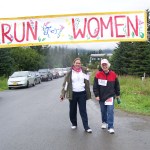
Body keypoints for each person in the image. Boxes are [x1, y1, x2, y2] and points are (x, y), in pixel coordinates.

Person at [60, 58, 92, 133]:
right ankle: (74, 123)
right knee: (72, 110)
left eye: (79, 63)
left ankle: (86, 127)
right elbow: (65, 85)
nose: (78, 64)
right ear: (73, 63)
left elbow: (88, 76)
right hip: (73, 94)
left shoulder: (84, 71)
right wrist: (62, 94)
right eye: (76, 63)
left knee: (83, 111)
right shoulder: (69, 73)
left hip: (82, 93)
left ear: (81, 64)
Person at [93, 58, 120, 134]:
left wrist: (118, 94)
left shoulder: (113, 74)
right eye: (103, 65)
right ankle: (104, 122)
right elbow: (95, 86)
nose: (104, 66)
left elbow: (117, 85)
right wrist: (96, 95)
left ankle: (111, 127)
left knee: (110, 111)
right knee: (103, 111)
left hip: (110, 97)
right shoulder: (98, 74)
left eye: (105, 65)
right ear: (101, 66)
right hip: (101, 97)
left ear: (108, 65)